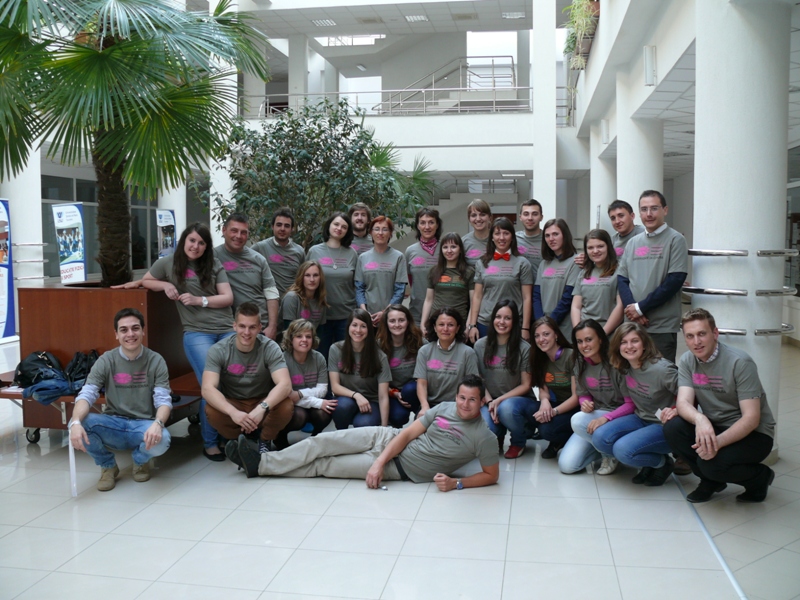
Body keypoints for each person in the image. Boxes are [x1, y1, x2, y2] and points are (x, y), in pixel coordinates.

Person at [229, 375, 501, 494]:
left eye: (472, 400)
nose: (465, 404)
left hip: (402, 467)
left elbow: (491, 476)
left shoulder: (483, 437)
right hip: (387, 438)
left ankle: (259, 465)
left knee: (324, 465)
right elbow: (407, 435)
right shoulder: (444, 408)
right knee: (321, 442)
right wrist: (379, 461)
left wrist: (457, 484)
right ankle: (262, 463)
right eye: (462, 397)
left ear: (482, 402)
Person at [663, 308, 776, 503]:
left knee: (711, 464)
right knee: (673, 428)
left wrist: (716, 443)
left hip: (755, 434)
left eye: (702, 334)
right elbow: (683, 402)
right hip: (716, 425)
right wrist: (700, 419)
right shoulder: (688, 360)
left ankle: (759, 477)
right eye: (690, 336)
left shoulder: (740, 362)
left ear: (715, 333)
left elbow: (751, 418)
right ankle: (711, 481)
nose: (696, 342)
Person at [143, 222, 233, 460]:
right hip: (197, 333)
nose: (196, 246)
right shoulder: (169, 263)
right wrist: (165, 284)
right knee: (211, 386)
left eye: (201, 243)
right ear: (184, 240)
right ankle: (211, 442)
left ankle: (229, 436)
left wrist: (199, 300)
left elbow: (227, 297)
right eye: (192, 240)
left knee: (232, 382)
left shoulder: (213, 264)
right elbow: (147, 280)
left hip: (227, 329)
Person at [69, 308, 171, 491]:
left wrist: (158, 423)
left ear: (143, 331)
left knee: (163, 439)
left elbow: (163, 400)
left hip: (143, 425)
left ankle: (140, 461)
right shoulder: (106, 360)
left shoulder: (156, 360)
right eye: (124, 330)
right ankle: (108, 466)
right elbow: (87, 394)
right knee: (77, 423)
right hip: (113, 423)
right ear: (116, 334)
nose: (130, 334)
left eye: (135, 328)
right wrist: (75, 422)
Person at [593, 322, 679, 486]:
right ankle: (651, 461)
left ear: (644, 344)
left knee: (622, 450)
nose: (629, 346)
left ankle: (663, 464)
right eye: (624, 342)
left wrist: (675, 409)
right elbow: (630, 403)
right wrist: (606, 418)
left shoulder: (662, 369)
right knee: (600, 438)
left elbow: (689, 395)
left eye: (635, 341)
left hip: (663, 425)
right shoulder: (625, 367)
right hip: (640, 417)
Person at [203, 302, 293, 456]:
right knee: (211, 410)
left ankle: (265, 439)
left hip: (262, 400)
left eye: (252, 327)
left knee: (286, 405)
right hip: (234, 401)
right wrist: (233, 412)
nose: (246, 332)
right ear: (234, 326)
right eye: (242, 326)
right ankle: (238, 441)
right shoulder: (218, 350)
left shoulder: (270, 347)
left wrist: (261, 408)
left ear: (259, 328)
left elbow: (285, 384)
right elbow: (207, 389)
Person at [617, 190, 689, 363]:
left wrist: (640, 308)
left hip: (661, 326)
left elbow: (675, 280)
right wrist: (633, 311)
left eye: (654, 208)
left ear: (665, 210)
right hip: (633, 324)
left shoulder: (676, 240)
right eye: (644, 209)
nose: (649, 214)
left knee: (661, 373)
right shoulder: (633, 242)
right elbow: (622, 279)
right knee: (633, 372)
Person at [558, 319, 632, 475]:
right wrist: (585, 403)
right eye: (579, 341)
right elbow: (583, 394)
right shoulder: (579, 362)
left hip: (621, 417)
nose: (584, 345)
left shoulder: (617, 361)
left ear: (600, 339)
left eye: (588, 339)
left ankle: (609, 454)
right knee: (567, 466)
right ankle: (605, 448)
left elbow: (630, 404)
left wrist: (606, 418)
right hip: (597, 417)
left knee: (577, 420)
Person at [475, 300, 534, 458]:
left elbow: (526, 385)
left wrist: (499, 401)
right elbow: (479, 379)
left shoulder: (524, 348)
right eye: (498, 317)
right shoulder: (480, 345)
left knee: (506, 409)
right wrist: (490, 402)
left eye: (507, 318)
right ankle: (498, 434)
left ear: (514, 322)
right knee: (487, 427)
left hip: (516, 402)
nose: (501, 322)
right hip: (489, 399)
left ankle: (518, 441)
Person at [467, 217, 533, 343]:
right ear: (492, 237)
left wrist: (525, 327)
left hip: (513, 323)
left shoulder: (522, 263)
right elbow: (477, 296)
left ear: (512, 237)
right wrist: (472, 325)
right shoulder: (482, 262)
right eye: (497, 233)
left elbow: (527, 298)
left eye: (506, 233)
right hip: (485, 323)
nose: (501, 238)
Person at [214, 213, 279, 338]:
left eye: (243, 232)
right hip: (230, 329)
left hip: (260, 327)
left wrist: (272, 326)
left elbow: (271, 294)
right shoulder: (213, 257)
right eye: (234, 231)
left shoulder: (258, 259)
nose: (238, 236)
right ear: (224, 230)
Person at [275, 319, 334, 449]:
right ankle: (280, 437)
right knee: (300, 416)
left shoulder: (319, 358)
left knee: (325, 412)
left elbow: (322, 390)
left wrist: (300, 394)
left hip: (305, 399)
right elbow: (287, 395)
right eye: (299, 336)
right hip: (289, 403)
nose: (304, 340)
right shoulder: (282, 359)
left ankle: (315, 438)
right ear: (291, 339)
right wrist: (317, 402)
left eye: (308, 336)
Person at [306, 212, 358, 359]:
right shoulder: (314, 251)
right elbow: (304, 280)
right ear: (329, 225)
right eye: (336, 224)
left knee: (345, 358)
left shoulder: (352, 253)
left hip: (346, 315)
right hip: (320, 315)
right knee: (321, 357)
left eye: (344, 227)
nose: (339, 228)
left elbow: (357, 284)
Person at [328, 309, 391, 429]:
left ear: (369, 329)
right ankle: (341, 434)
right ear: (348, 327)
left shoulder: (379, 356)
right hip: (347, 398)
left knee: (363, 424)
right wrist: (356, 395)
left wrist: (384, 428)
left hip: (371, 401)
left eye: (363, 326)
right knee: (342, 407)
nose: (358, 330)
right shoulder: (336, 349)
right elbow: (335, 387)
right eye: (354, 325)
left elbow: (383, 396)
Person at [526, 316, 579, 459]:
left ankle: (566, 438)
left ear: (556, 335)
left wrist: (553, 412)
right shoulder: (539, 357)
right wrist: (544, 401)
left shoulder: (571, 356)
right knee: (528, 411)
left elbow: (577, 397)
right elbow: (541, 387)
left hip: (577, 408)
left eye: (546, 334)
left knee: (546, 430)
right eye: (537, 336)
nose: (541, 339)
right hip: (558, 403)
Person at [414, 307, 479, 419]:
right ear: (434, 327)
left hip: (457, 406)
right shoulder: (424, 351)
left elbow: (472, 386)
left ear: (458, 328)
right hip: (431, 405)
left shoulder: (468, 353)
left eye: (450, 325)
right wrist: (425, 407)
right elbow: (422, 383)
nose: (445, 329)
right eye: (441, 324)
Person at [355, 216, 408, 328]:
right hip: (367, 317)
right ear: (370, 232)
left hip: (391, 317)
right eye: (376, 229)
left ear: (390, 233)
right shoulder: (363, 258)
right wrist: (364, 312)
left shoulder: (398, 257)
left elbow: (400, 290)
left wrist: (385, 312)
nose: (380, 233)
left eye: (385, 229)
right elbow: (359, 288)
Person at [376, 304, 424, 428]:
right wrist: (394, 393)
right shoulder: (379, 345)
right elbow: (375, 380)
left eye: (401, 320)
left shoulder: (419, 341)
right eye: (392, 321)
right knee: (398, 416)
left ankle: (420, 423)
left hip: (416, 390)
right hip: (393, 392)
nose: (397, 325)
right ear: (386, 323)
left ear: (408, 322)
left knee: (410, 389)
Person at [420, 232, 474, 336]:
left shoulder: (469, 272)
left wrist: (469, 326)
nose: (449, 251)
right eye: (445, 247)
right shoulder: (434, 271)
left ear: (460, 250)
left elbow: (473, 302)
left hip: (458, 324)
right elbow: (428, 300)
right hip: (436, 323)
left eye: (453, 247)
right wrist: (423, 323)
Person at [534, 218, 580, 340]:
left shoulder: (575, 262)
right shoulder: (543, 264)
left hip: (563, 327)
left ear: (565, 235)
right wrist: (540, 323)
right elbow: (536, 296)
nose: (551, 239)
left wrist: (550, 324)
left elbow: (568, 298)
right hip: (543, 327)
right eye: (547, 235)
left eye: (555, 234)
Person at [570, 229, 623, 334]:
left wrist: (602, 334)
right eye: (590, 248)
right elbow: (576, 307)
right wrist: (578, 332)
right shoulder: (584, 273)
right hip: (585, 331)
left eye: (600, 246)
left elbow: (620, 307)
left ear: (608, 247)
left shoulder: (620, 271)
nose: (595, 251)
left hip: (609, 332)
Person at [252, 207, 306, 298]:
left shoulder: (299, 251)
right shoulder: (260, 248)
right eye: (279, 225)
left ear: (292, 229)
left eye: (287, 226)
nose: (282, 229)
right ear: (272, 226)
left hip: (292, 302)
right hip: (268, 302)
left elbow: (304, 279)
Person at [405, 207, 442, 325]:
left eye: (431, 222)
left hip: (442, 313)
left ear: (437, 225)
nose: (427, 227)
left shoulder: (445, 249)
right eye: (422, 223)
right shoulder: (410, 251)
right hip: (417, 312)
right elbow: (410, 280)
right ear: (417, 225)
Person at [280, 260, 327, 332]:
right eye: (307, 275)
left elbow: (320, 331)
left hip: (311, 338)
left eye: (315, 275)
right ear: (301, 277)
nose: (312, 279)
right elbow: (288, 332)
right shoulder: (291, 297)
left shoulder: (321, 298)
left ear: (320, 278)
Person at [516, 199, 544, 281]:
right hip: (519, 287)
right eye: (526, 214)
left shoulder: (549, 239)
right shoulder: (513, 239)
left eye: (535, 214)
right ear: (520, 217)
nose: (530, 218)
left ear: (541, 217)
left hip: (543, 287)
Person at [462, 199, 493, 267]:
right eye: (473, 215)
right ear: (469, 219)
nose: (478, 219)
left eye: (482, 214)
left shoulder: (499, 240)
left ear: (490, 218)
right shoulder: (463, 242)